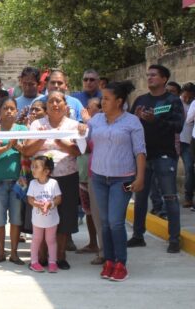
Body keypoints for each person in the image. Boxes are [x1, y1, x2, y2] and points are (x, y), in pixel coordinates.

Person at [88, 81, 146, 281]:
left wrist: (140, 177)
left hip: (123, 178)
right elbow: (83, 140)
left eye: (106, 98)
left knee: (115, 222)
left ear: (119, 101)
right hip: (98, 177)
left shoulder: (132, 122)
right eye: (102, 98)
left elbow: (140, 151)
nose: (102, 101)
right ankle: (109, 261)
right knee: (104, 223)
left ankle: (121, 263)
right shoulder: (95, 120)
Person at [127, 65, 184, 253]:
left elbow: (178, 126)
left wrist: (155, 120)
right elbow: (128, 124)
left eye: (153, 75)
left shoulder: (173, 100)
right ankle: (137, 236)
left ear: (164, 79)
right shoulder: (141, 100)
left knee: (170, 197)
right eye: (148, 75)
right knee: (141, 198)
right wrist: (134, 118)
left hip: (164, 156)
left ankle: (174, 239)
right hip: (142, 156)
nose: (149, 78)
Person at [22, 91, 82, 270]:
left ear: (66, 105)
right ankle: (41, 256)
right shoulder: (36, 124)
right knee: (41, 215)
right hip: (41, 178)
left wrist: (57, 139)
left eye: (59, 101)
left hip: (67, 176)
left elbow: (77, 151)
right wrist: (42, 137)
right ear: (46, 106)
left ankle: (60, 256)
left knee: (65, 217)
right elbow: (27, 151)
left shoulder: (74, 125)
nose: (55, 104)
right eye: (51, 102)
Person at [0, 98, 27, 265]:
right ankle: (0, 252)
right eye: (5, 108)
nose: (9, 111)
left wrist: (17, 146)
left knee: (16, 219)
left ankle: (15, 253)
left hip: (17, 182)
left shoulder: (23, 129)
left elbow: (28, 150)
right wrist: (7, 147)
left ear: (17, 111)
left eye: (12, 108)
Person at [76, 98, 102, 260]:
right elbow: (81, 148)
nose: (99, 109)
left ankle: (103, 248)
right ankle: (94, 243)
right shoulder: (82, 127)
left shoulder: (100, 125)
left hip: (98, 176)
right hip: (83, 175)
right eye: (95, 107)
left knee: (100, 214)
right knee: (89, 213)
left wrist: (89, 121)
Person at [27, 156, 62, 273]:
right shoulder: (32, 183)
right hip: (37, 220)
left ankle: (52, 262)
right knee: (36, 240)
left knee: (51, 240)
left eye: (36, 167)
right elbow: (30, 199)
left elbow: (58, 199)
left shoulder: (53, 183)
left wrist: (50, 204)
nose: (33, 169)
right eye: (32, 166)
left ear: (46, 171)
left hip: (51, 220)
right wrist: (38, 204)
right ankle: (34, 262)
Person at [183, 83, 195, 209]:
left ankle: (188, 198)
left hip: (188, 142)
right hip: (173, 142)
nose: (187, 98)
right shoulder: (174, 103)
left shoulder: (193, 103)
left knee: (189, 169)